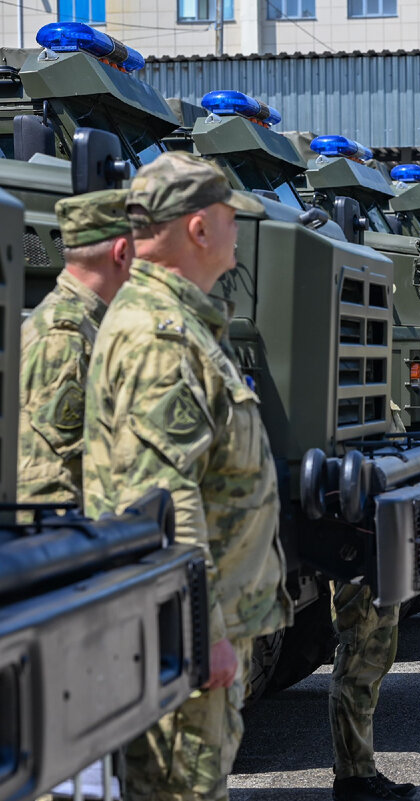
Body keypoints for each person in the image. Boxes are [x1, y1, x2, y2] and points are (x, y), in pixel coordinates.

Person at [82, 151, 293, 801]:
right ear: (199, 229)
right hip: (182, 639)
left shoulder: (180, 323)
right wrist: (201, 635)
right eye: (232, 218)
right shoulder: (161, 334)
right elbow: (163, 496)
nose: (238, 233)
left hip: (195, 626)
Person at [19, 190, 133, 509]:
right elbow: (45, 483)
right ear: (122, 253)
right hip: (57, 544)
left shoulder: (86, 324)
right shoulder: (63, 337)